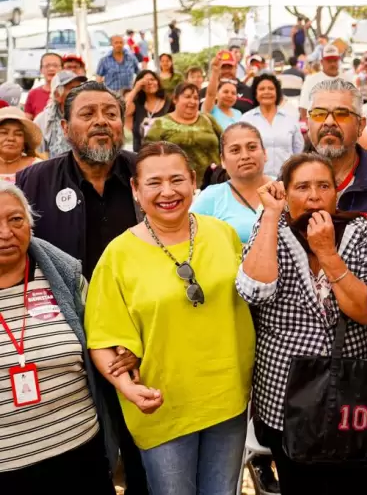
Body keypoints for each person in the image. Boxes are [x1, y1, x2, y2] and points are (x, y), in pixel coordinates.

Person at [85, 142, 254, 495]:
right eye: (154, 182)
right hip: (162, 405)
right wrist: (127, 387)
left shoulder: (222, 235)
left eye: (177, 179)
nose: (167, 192)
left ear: (194, 181)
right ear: (135, 189)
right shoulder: (119, 255)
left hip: (227, 397)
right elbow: (102, 337)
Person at [15, 81, 149, 492]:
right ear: (65, 125)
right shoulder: (33, 182)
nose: (101, 123)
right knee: (91, 456)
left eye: (110, 113)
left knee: (147, 457)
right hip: (68, 346)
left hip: (142, 341)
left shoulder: (143, 174)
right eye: (88, 114)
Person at [237, 154, 367, 493]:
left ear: (337, 193)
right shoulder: (270, 226)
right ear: (285, 194)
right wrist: (272, 217)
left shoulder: (360, 231)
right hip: (284, 396)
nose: (315, 195)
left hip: (350, 394)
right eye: (302, 187)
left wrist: (328, 254)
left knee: (354, 484)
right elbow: (254, 291)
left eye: (323, 186)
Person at [0, 182, 116, 493]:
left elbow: (103, 337)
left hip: (80, 451)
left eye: (16, 219)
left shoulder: (65, 278)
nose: (6, 233)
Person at [305, 78, 367, 215]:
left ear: (361, 125)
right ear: (308, 124)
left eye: (341, 114)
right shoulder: (291, 178)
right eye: (319, 114)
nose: (329, 122)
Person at [191, 123, 270, 244]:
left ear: (265, 153)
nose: (245, 156)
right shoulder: (211, 197)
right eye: (235, 150)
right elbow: (190, 241)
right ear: (223, 160)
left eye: (252, 147)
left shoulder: (285, 188)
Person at [144, 83, 223, 182]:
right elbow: (147, 156)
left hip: (214, 182)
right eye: (187, 97)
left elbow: (225, 143)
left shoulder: (208, 119)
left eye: (196, 98)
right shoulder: (160, 124)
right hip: (177, 184)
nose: (193, 101)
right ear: (175, 99)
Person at [242, 74, 303, 178]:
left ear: (277, 93)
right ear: (256, 94)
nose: (267, 92)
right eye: (262, 89)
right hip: (256, 180)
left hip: (286, 179)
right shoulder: (246, 119)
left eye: (271, 88)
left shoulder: (290, 118)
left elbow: (298, 149)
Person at [36, 69, 87, 157]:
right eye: (72, 89)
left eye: (80, 88)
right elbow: (38, 154)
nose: (79, 93)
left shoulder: (90, 116)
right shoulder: (43, 121)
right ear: (57, 95)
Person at [125, 70, 172, 152]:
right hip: (140, 154)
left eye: (152, 79)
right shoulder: (136, 105)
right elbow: (121, 108)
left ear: (158, 82)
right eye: (145, 81)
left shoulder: (169, 104)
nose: (150, 83)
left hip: (166, 154)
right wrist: (135, 89)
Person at [298, 44, 346, 119]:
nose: (332, 64)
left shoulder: (347, 80)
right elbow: (303, 108)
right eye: (329, 61)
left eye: (335, 60)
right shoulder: (311, 81)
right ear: (322, 62)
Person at [0, 107, 42, 182]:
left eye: (18, 134)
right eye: (4, 133)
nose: (11, 138)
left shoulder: (38, 167)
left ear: (25, 141)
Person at [24, 52, 62, 119]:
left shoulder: (68, 92)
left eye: (55, 65)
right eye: (47, 66)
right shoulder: (33, 94)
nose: (51, 69)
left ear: (62, 69)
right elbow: (27, 122)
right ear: (41, 70)